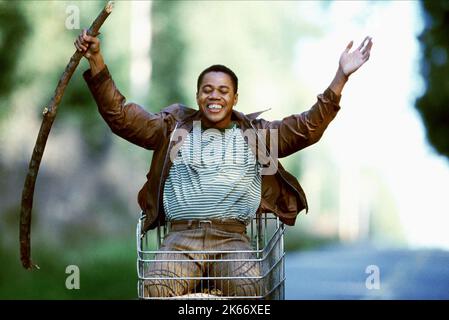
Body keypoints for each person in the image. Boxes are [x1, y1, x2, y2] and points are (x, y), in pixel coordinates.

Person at [75, 29, 373, 298]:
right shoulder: (172, 130)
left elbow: (307, 127)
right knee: (155, 290)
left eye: (223, 90)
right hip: (180, 240)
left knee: (249, 291)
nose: (214, 96)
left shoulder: (257, 136)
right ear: (197, 96)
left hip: (231, 242)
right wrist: (97, 60)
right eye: (207, 90)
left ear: (234, 98)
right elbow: (121, 116)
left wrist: (341, 76)